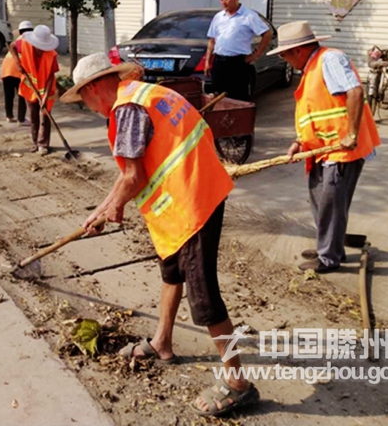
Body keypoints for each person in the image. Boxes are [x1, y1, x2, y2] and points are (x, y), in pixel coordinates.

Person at [60, 53, 259, 418]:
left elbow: (133, 178)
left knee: (204, 296)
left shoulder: (127, 110)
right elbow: (129, 177)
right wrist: (103, 209)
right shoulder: (142, 94)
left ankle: (238, 383)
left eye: (83, 98)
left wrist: (115, 208)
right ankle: (162, 342)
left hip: (193, 202)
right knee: (172, 272)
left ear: (94, 88)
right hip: (188, 197)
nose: (88, 107)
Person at [268, 21, 381, 273]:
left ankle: (328, 258)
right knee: (320, 200)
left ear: (298, 50)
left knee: (331, 204)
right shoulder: (311, 68)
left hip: (342, 149)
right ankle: (329, 247)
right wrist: (299, 142)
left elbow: (355, 92)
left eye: (285, 55)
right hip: (323, 151)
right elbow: (316, 112)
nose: (285, 60)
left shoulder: (330, 60)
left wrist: (351, 133)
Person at [204, 0, 272, 101]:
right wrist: (208, 61)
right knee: (217, 98)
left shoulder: (249, 16)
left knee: (237, 98)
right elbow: (212, 40)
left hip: (237, 64)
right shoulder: (218, 17)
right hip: (219, 62)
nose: (223, 2)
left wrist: (257, 54)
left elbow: (267, 34)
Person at [10, 24, 59, 156]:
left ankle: (43, 144)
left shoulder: (52, 55)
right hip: (29, 86)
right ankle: (35, 142)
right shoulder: (24, 44)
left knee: (45, 117)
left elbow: (51, 77)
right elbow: (12, 46)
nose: (41, 49)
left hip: (46, 89)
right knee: (33, 116)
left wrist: (45, 96)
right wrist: (17, 62)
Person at [1, 21, 33, 125]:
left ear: (19, 32)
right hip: (17, 71)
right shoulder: (28, 41)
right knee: (23, 94)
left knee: (8, 94)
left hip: (6, 69)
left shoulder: (18, 39)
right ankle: (21, 119)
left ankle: (9, 116)